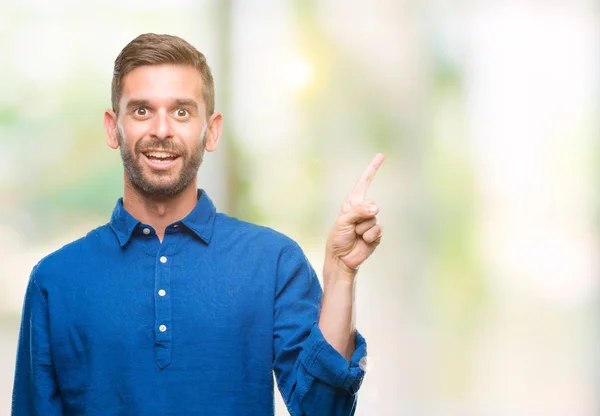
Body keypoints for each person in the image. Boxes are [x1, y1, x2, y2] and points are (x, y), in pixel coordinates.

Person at [11, 33, 384, 416]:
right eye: (141, 111)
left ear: (212, 130)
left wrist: (341, 273)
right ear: (112, 127)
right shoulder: (55, 279)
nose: (161, 130)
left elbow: (324, 411)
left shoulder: (272, 262)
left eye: (182, 112)